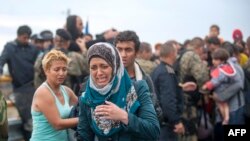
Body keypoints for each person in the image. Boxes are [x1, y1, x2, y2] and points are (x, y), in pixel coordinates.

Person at [77, 42, 160, 141]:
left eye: (104, 66)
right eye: (93, 67)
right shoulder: (87, 98)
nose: (99, 73)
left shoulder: (137, 89)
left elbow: (153, 131)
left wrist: (124, 116)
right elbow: (84, 137)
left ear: (115, 67)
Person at [152, 40, 197, 141]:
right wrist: (176, 122)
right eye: (176, 51)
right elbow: (168, 101)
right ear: (172, 53)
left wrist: (180, 87)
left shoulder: (158, 70)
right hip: (166, 126)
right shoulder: (167, 73)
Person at [114, 30, 163, 122]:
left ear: (136, 53)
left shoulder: (144, 79)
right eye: (119, 49)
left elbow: (155, 113)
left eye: (128, 50)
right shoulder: (105, 76)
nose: (123, 55)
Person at [0, 25, 39, 140]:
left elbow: (40, 64)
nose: (26, 40)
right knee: (28, 121)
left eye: (28, 38)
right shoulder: (10, 47)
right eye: (24, 37)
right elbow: (1, 61)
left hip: (34, 87)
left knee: (36, 119)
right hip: (20, 89)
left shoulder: (33, 49)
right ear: (18, 36)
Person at [30, 49, 78, 141]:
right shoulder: (43, 92)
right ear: (46, 70)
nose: (61, 73)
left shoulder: (67, 91)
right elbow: (57, 124)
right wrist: (86, 119)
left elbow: (83, 107)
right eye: (56, 69)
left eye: (64, 69)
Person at [202, 48, 237, 125]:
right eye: (213, 59)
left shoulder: (220, 70)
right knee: (225, 105)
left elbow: (215, 81)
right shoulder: (228, 67)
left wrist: (207, 86)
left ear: (222, 60)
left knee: (221, 104)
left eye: (215, 59)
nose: (213, 61)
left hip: (220, 91)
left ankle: (225, 118)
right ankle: (226, 118)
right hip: (226, 90)